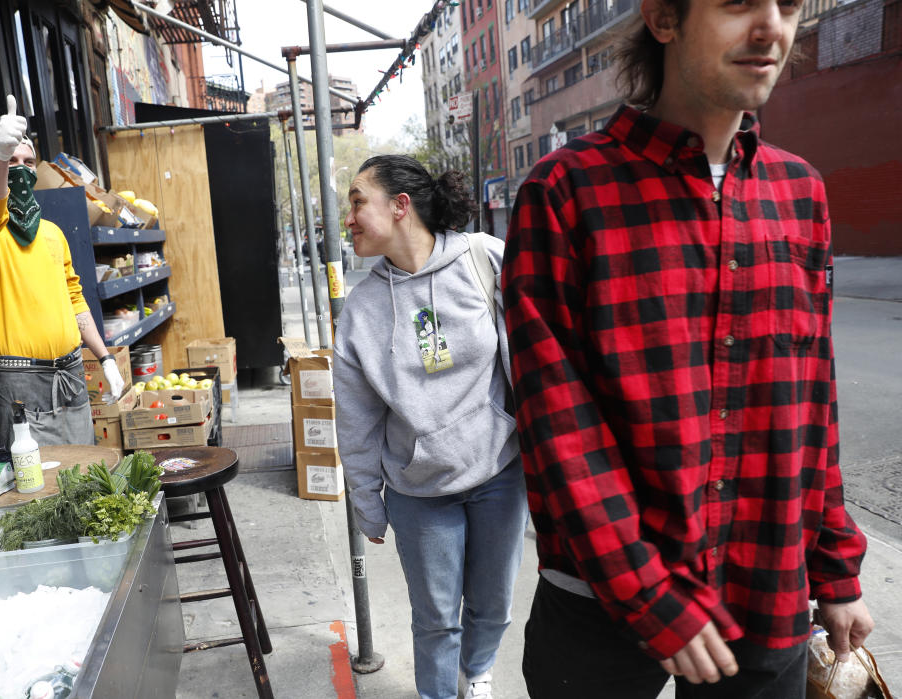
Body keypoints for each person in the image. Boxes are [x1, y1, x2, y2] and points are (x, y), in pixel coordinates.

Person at [502, 1, 873, 697]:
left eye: (788, 4)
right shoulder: (565, 191)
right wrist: (647, 591)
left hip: (765, 582)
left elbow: (811, 400)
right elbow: (558, 425)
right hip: (600, 597)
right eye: (738, 2)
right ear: (665, 19)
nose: (772, 27)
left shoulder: (800, 193)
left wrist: (835, 566)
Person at [333, 155, 527, 699]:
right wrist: (367, 500)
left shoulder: (483, 259)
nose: (347, 218)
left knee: (493, 605)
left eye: (356, 202)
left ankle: (478, 671)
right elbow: (357, 419)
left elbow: (532, 355)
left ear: (401, 206)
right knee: (437, 619)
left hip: (498, 470)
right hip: (419, 490)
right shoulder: (362, 310)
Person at [0, 95, 124, 451]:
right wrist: (1, 154)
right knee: (32, 493)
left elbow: (74, 299)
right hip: (20, 386)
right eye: (10, 160)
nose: (21, 167)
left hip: (71, 374)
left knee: (83, 480)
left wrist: (105, 357)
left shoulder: (51, 232)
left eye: (28, 162)